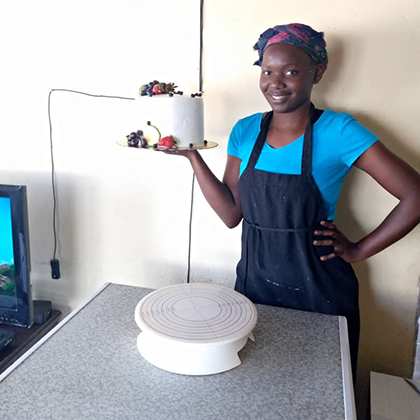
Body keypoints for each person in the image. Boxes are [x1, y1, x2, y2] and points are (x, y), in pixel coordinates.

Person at [166, 23, 420, 377]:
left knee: (320, 387)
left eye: (291, 72)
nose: (276, 83)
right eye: (268, 71)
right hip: (254, 283)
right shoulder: (245, 130)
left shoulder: (339, 131)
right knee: (257, 380)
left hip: (319, 288)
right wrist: (193, 158)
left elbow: (415, 195)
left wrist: (359, 250)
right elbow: (230, 214)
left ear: (318, 72)